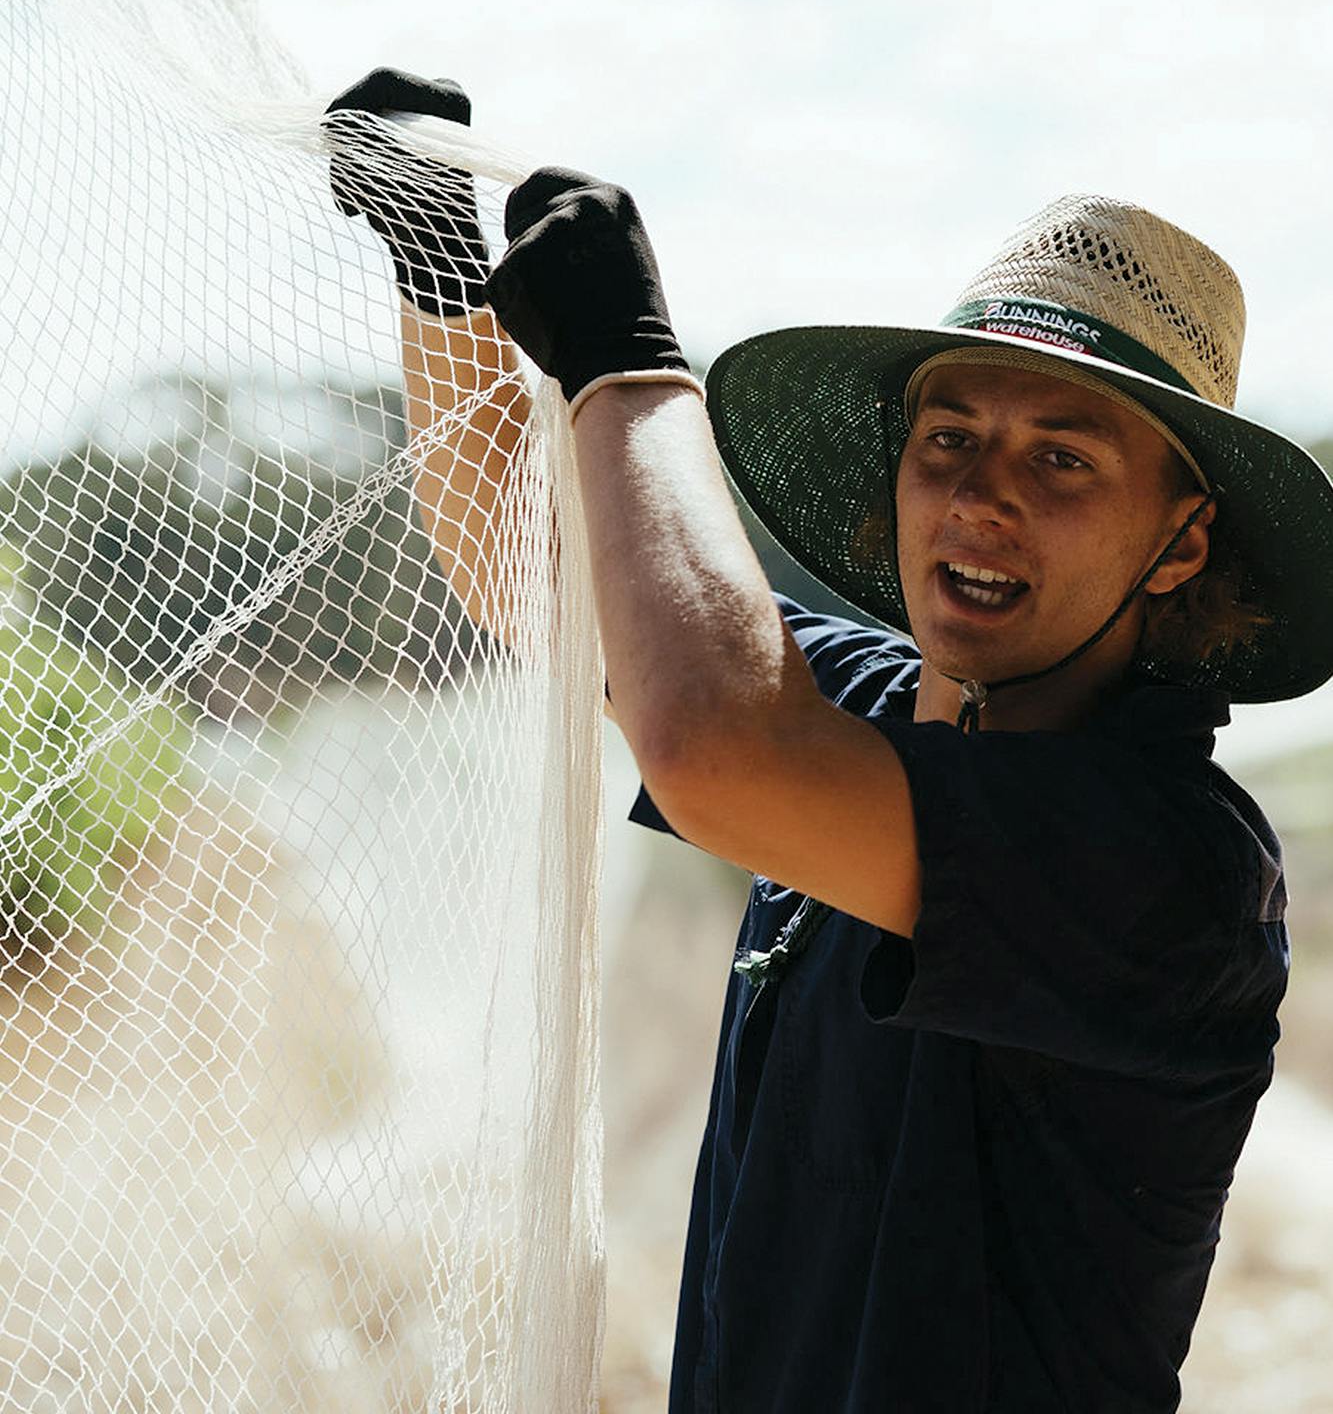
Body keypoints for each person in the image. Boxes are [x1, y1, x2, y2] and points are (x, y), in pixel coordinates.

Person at [325, 70, 1333, 1413]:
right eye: (947, 437)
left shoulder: (1165, 861)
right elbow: (539, 579)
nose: (978, 495)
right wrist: (443, 277)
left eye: (1061, 461)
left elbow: (713, 743)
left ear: (1182, 542)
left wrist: (629, 366)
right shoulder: (863, 711)